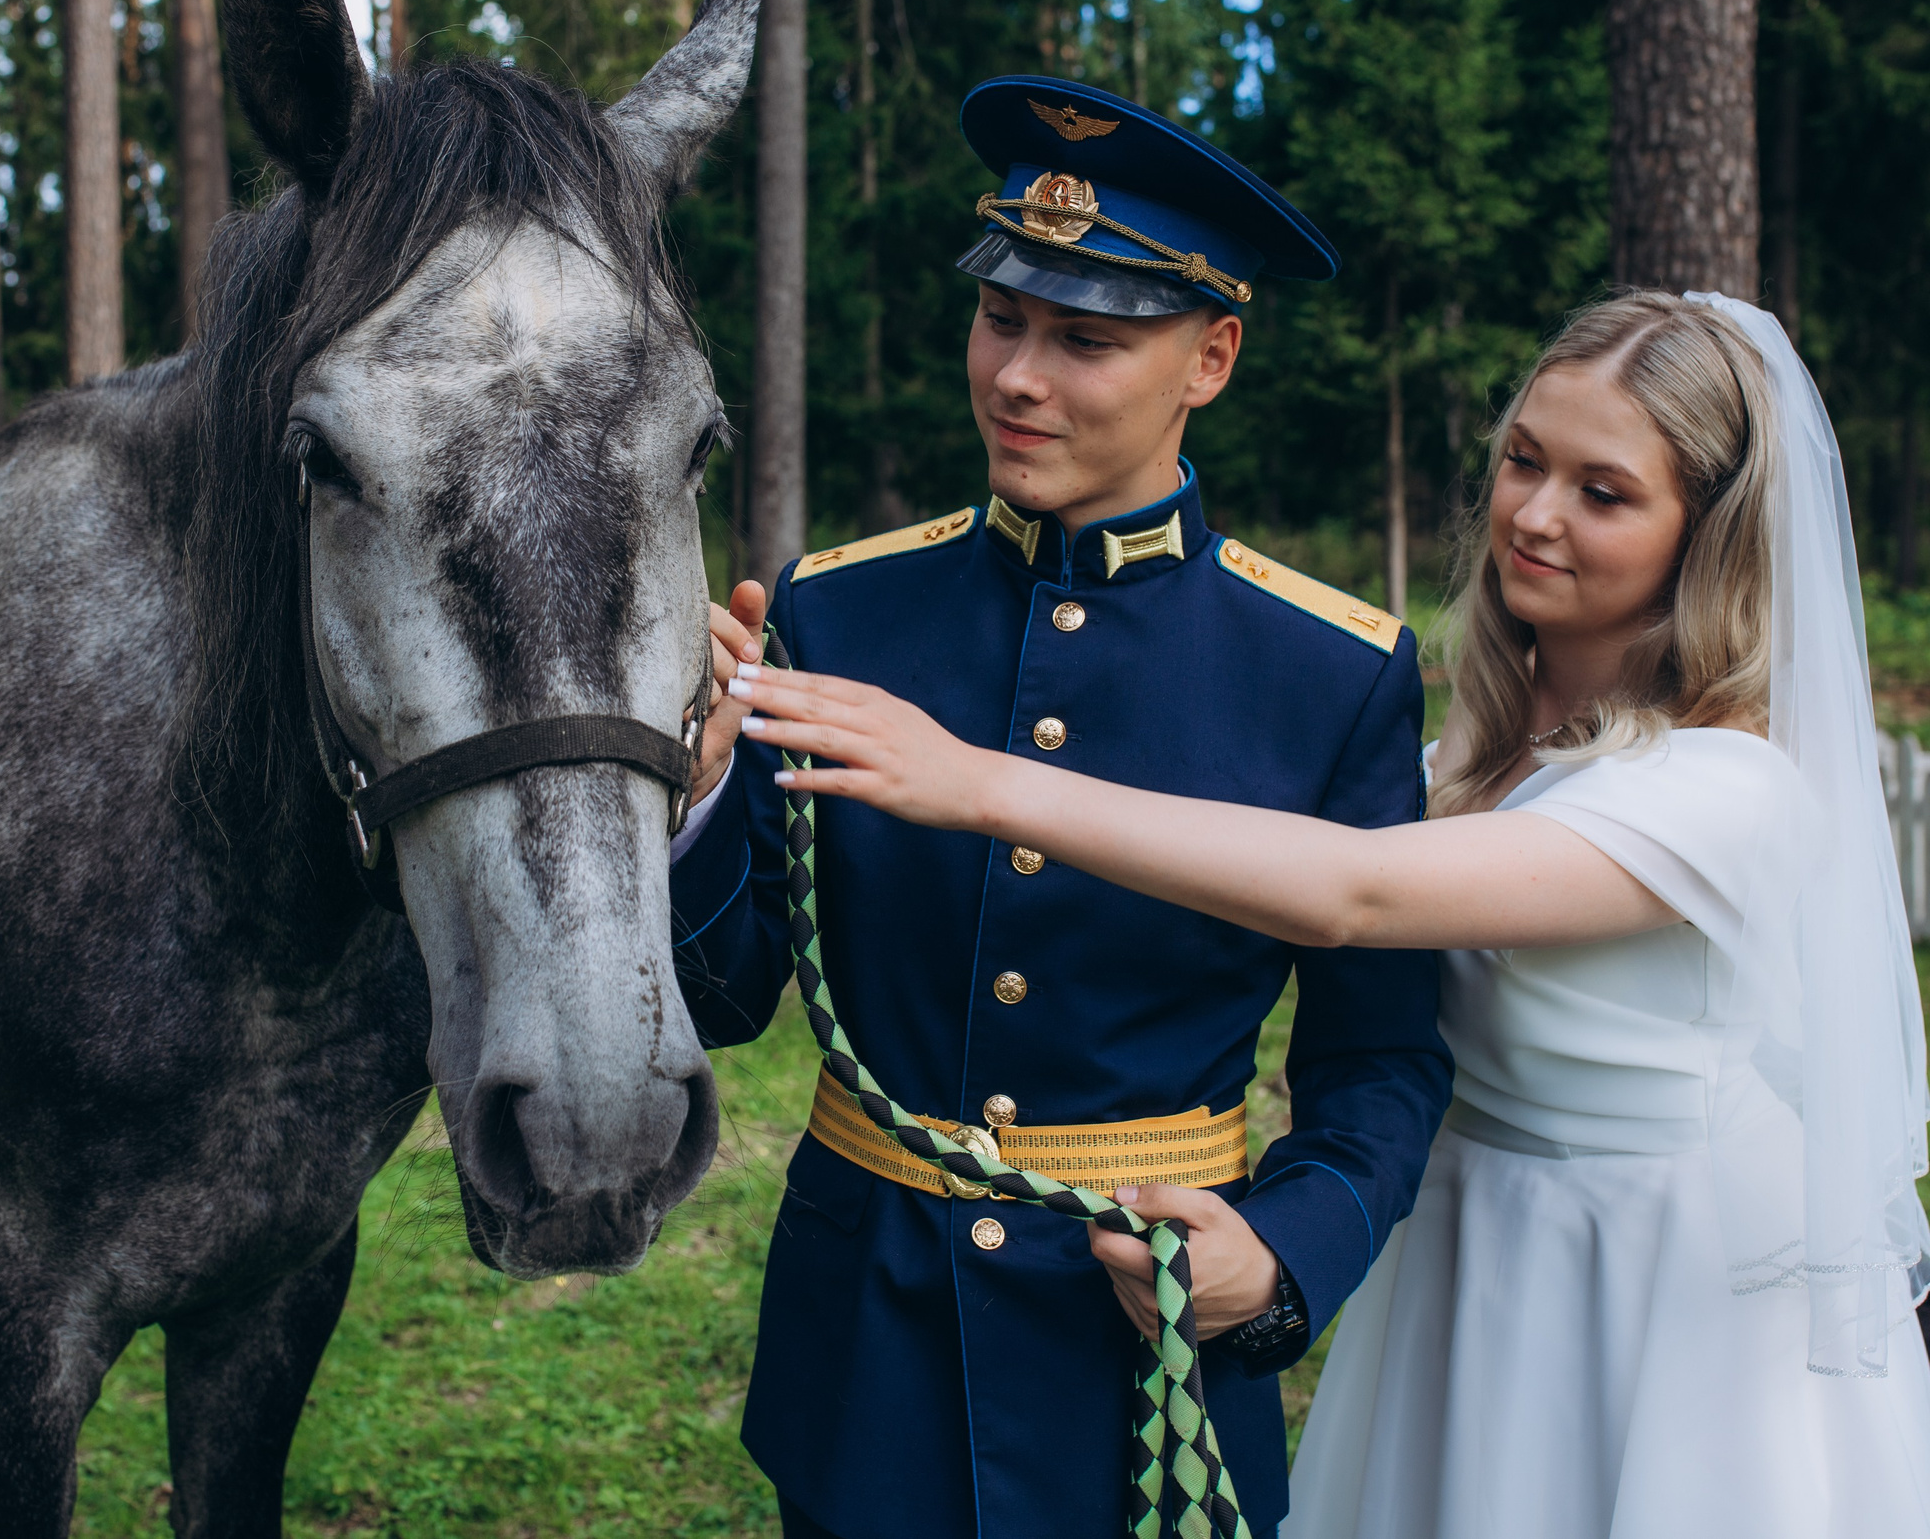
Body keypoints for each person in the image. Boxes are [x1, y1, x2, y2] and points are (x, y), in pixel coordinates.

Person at [724, 290, 1930, 1537]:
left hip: (1657, 1281)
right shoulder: (1477, 752)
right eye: (1522, 458)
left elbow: (1353, 895)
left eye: (1604, 491)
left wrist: (976, 779)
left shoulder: (1728, 788)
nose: (1532, 513)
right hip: (1459, 1253)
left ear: (1707, 536)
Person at [666, 76, 1452, 1539]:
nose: (1018, 376)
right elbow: (729, 995)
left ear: (1210, 356)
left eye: (1087, 339)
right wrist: (708, 788)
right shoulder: (838, 612)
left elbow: (1384, 1067)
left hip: (1139, 1358)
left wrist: (1279, 1258)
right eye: (1001, 318)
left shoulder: (1331, 674)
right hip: (866, 1346)